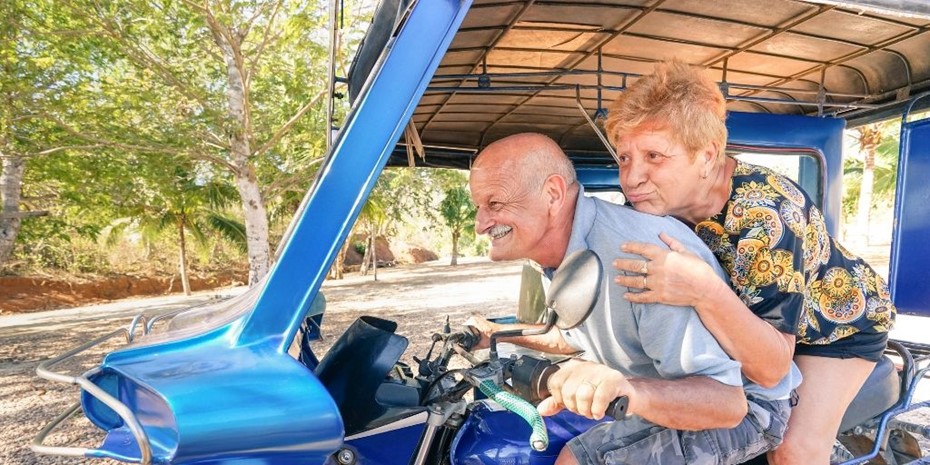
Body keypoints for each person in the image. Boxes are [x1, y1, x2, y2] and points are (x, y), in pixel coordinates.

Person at [604, 61, 896, 465]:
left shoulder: (765, 212)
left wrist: (703, 290)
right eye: (624, 158)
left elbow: (772, 367)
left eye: (654, 155)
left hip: (835, 330)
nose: (631, 177)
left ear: (706, 156)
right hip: (754, 324)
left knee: (791, 450)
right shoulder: (651, 205)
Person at [467, 132, 800, 465]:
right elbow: (584, 335)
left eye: (495, 204)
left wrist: (630, 389)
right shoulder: (565, 253)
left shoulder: (638, 260)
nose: (480, 224)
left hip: (751, 409)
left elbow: (729, 403)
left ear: (552, 194)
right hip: (673, 392)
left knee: (576, 460)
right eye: (479, 207)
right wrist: (494, 332)